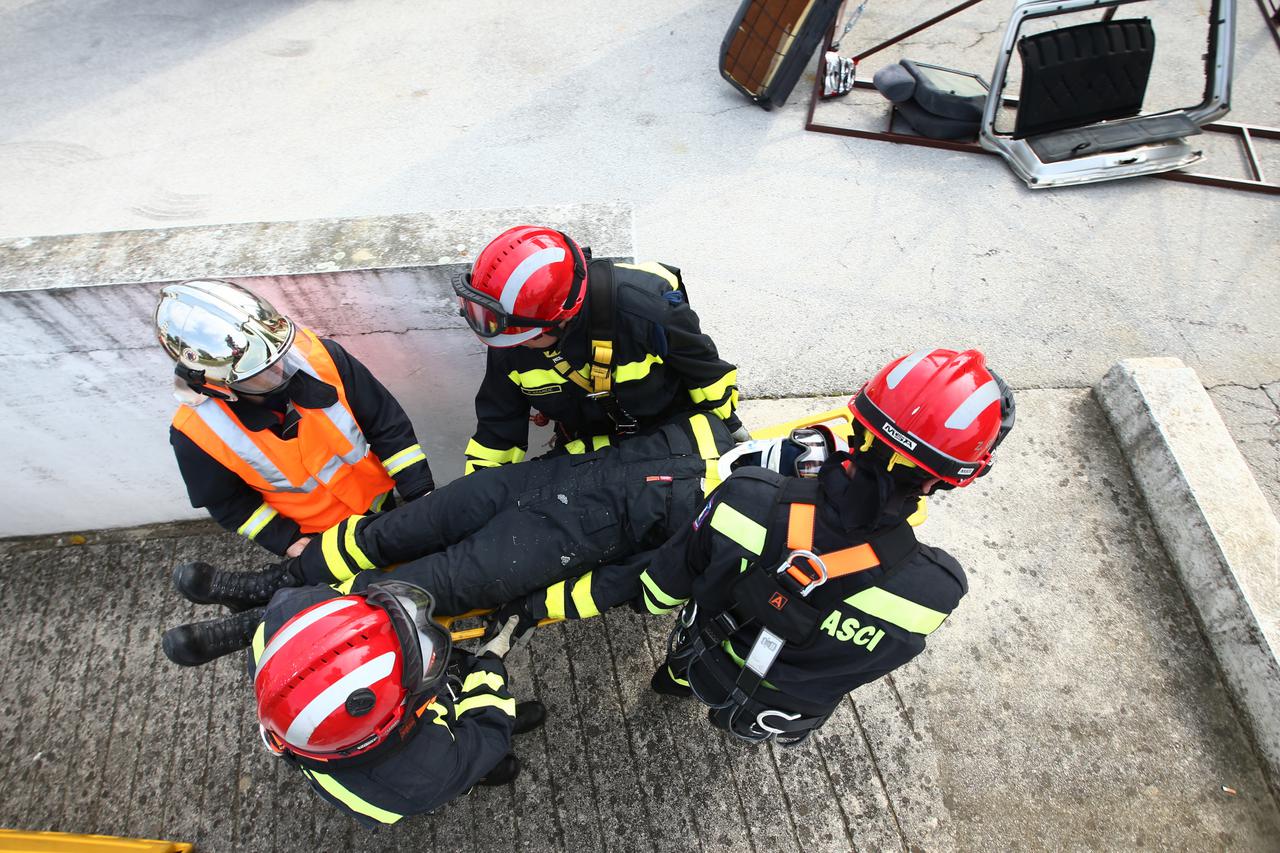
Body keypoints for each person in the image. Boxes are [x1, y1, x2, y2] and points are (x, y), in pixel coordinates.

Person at [496, 348, 1015, 745]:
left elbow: (661, 590)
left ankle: (674, 682)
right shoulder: (937, 592)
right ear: (950, 480)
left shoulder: (749, 497)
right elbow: (858, 667)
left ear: (857, 424)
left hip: (703, 658)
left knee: (689, 655)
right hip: (776, 709)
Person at [161, 410, 738, 665]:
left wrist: (535, 610)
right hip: (536, 480)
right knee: (387, 532)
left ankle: (256, 625)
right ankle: (271, 582)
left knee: (402, 592)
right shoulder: (715, 427)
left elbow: (643, 583)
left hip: (555, 541)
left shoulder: (746, 526)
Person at [172, 579, 545, 827]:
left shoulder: (296, 612)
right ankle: (477, 771)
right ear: (389, 723)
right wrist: (491, 664)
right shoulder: (424, 777)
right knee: (483, 738)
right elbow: (482, 733)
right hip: (434, 762)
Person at [156, 280, 434, 595]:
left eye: (278, 355)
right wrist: (285, 540)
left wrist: (419, 493)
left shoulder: (323, 360)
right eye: (260, 371)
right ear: (219, 387)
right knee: (350, 597)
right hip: (314, 534)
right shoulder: (195, 433)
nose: (279, 370)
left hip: (378, 504)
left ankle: (259, 589)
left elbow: (387, 425)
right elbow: (228, 503)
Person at [452, 225, 748, 475]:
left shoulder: (646, 311)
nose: (511, 345)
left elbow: (705, 375)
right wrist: (472, 497)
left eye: (524, 338)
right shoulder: (512, 335)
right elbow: (497, 433)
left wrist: (732, 430)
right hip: (586, 444)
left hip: (668, 432)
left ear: (562, 319)